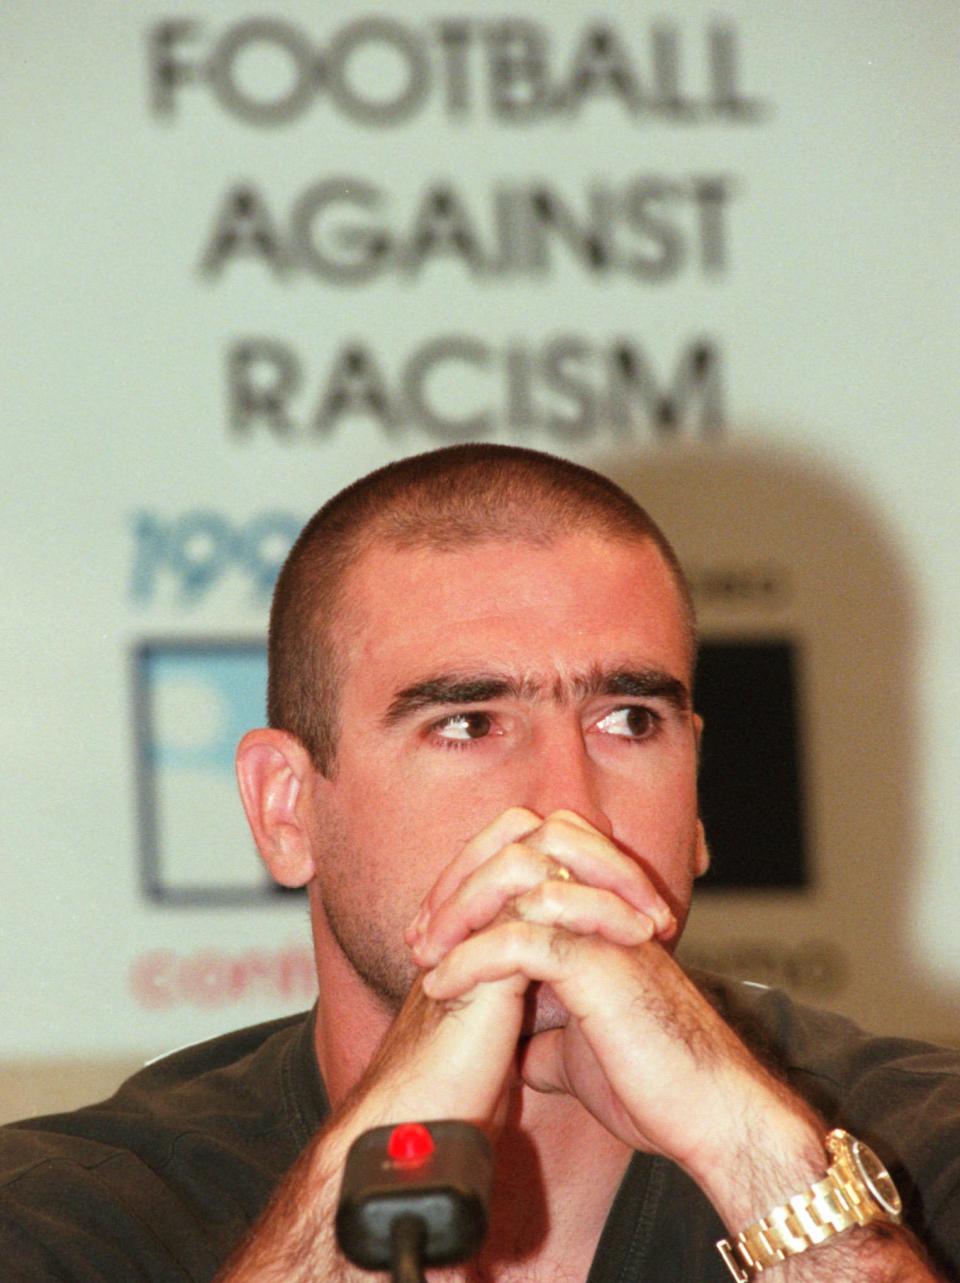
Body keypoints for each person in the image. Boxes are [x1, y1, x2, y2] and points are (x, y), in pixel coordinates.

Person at [2, 444, 958, 1282]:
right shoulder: (70, 1213)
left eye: (628, 721)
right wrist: (365, 1177)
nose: (569, 809)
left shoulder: (923, 1150)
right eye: (466, 724)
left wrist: (750, 1151)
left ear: (698, 794)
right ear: (286, 808)